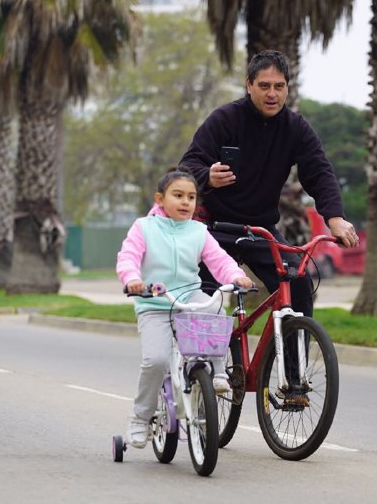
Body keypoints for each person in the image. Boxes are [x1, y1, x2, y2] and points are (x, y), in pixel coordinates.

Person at [180, 49, 359, 319]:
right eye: (264, 86)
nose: (272, 94)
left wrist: (335, 218)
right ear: (249, 85)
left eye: (279, 86)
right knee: (204, 300)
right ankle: (205, 348)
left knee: (298, 285)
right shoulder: (224, 119)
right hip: (215, 228)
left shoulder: (296, 128)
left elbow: (320, 173)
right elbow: (187, 166)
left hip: (261, 230)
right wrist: (208, 177)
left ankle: (294, 347)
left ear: (287, 88)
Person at [116, 166, 253, 449]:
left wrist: (235, 276)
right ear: (160, 199)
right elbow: (128, 257)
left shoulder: (198, 231)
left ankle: (218, 372)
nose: (185, 202)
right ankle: (140, 417)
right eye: (177, 195)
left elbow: (219, 260)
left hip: (189, 299)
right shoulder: (144, 227)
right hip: (155, 303)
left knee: (215, 311)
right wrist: (132, 280)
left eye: (191, 197)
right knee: (156, 361)